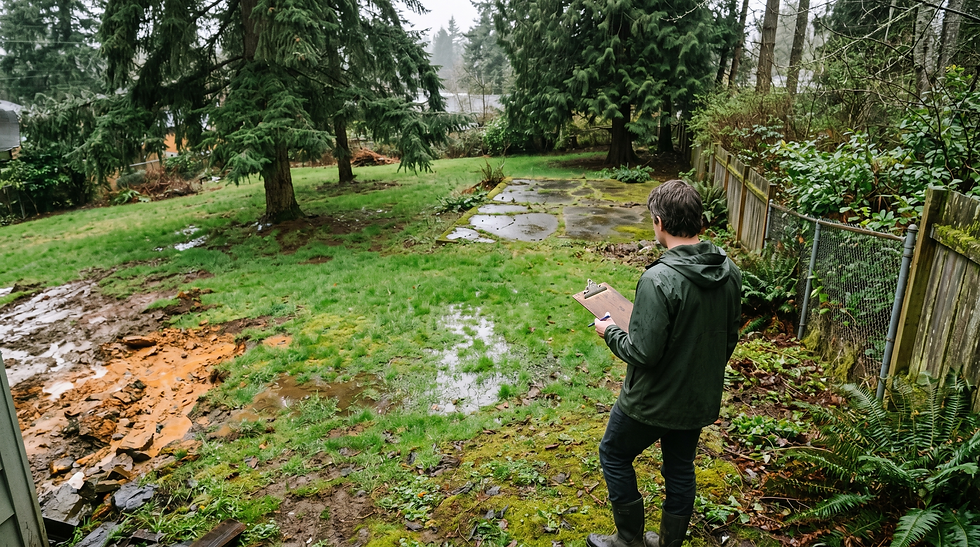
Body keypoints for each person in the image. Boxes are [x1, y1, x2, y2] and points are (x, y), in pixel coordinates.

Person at [588, 179, 742, 547]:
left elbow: (643, 352)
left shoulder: (658, 279)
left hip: (650, 401)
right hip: (698, 397)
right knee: (680, 467)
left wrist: (609, 330)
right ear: (698, 219)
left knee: (613, 452)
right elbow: (728, 337)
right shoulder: (730, 271)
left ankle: (629, 540)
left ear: (658, 221)